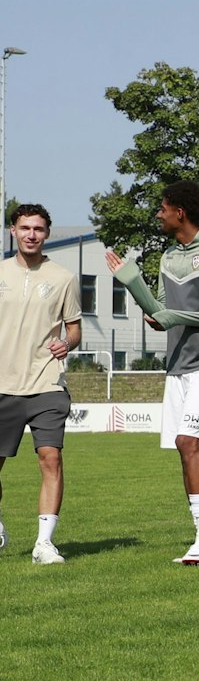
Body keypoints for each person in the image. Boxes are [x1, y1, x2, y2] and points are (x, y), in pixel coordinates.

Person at [106, 181, 199, 565]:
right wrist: (133, 283)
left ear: (179, 212)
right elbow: (160, 314)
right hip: (179, 364)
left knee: (188, 442)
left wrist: (177, 316)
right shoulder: (168, 257)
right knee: (186, 450)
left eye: (163, 208)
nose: (159, 214)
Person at [0, 203, 81, 563]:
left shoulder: (63, 278)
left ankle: (44, 544)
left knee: (51, 458)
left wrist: (67, 343)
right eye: (25, 228)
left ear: (47, 233)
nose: (31, 235)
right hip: (2, 385)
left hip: (47, 382)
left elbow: (74, 328)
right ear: (13, 231)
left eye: (38, 229)